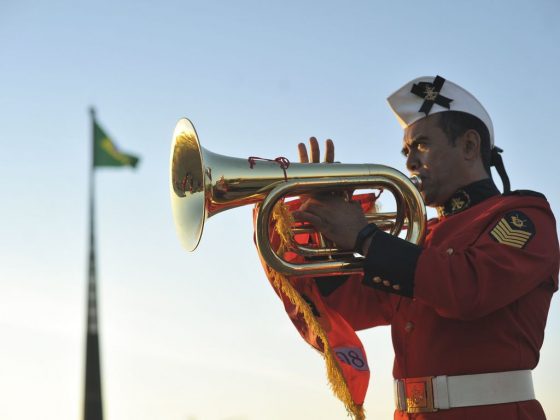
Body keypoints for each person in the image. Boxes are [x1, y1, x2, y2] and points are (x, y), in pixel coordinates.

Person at [287, 76, 560, 419]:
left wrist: (364, 236)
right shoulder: (424, 235)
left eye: (422, 145)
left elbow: (467, 289)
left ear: (469, 146)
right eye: (406, 151)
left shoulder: (523, 216)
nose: (410, 162)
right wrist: (320, 232)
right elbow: (348, 308)